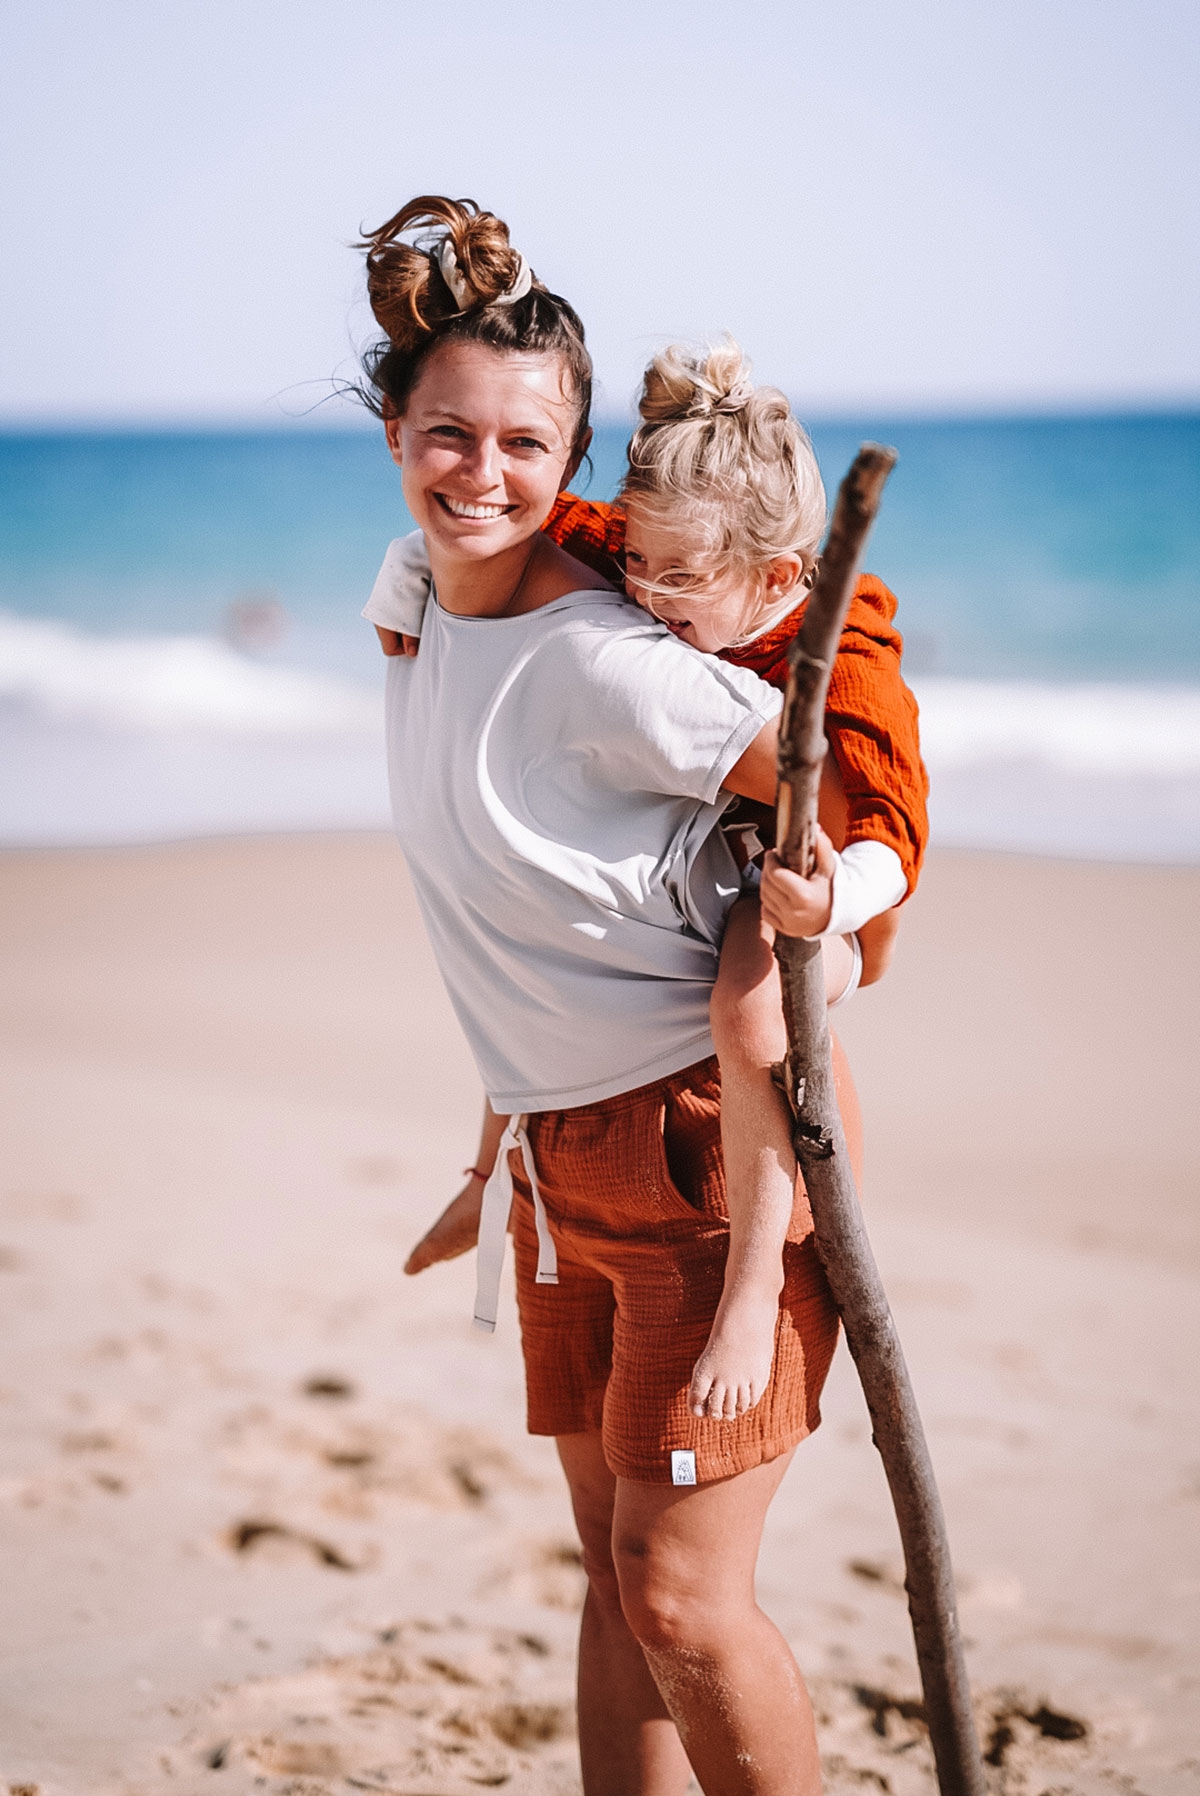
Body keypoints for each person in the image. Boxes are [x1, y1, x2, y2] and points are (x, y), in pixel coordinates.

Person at [358, 191, 897, 1796]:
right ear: (396, 429)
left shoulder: (615, 662)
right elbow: (518, 933)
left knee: (683, 1594)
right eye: (449, 434)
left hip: (702, 1157)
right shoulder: (415, 624)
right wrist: (489, 1164)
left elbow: (843, 794)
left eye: (526, 447)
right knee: (614, 1581)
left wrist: (832, 912)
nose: (482, 474)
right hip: (550, 1163)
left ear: (574, 457)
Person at [367, 340, 928, 1429]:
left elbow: (892, 830)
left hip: (833, 901)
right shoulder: (651, 554)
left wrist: (837, 908)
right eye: (640, 564)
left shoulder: (845, 664)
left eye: (680, 581)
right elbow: (519, 527)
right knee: (541, 915)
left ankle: (755, 1277)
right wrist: (405, 581)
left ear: (774, 580)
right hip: (729, 872)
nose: (646, 595)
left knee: (747, 999)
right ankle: (486, 1177)